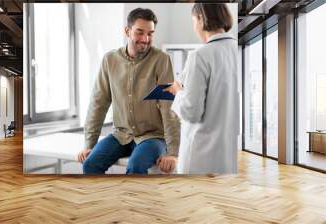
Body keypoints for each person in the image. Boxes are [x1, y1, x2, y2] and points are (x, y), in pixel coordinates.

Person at [77, 8, 180, 174]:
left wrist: (173, 153)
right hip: (121, 135)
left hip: (152, 137)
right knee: (90, 164)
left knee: (136, 165)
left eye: (150, 33)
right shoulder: (109, 60)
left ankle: (132, 200)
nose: (146, 39)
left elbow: (169, 108)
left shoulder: (161, 60)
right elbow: (99, 103)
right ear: (127, 30)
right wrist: (89, 145)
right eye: (140, 32)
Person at [165, 3, 239, 174]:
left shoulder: (199, 56)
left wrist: (178, 93)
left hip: (200, 156)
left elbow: (192, 112)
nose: (194, 27)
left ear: (200, 19)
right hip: (227, 157)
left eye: (193, 21)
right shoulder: (237, 49)